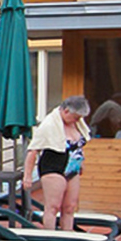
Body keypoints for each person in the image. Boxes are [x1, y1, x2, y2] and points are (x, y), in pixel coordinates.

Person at [23, 96, 92, 231]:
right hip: (53, 167)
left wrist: (81, 162)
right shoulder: (49, 125)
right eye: (75, 117)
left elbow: (77, 147)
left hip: (72, 167)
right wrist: (27, 176)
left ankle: (67, 235)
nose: (77, 120)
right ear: (66, 111)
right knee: (53, 206)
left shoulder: (77, 124)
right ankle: (50, 236)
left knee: (70, 207)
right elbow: (32, 151)